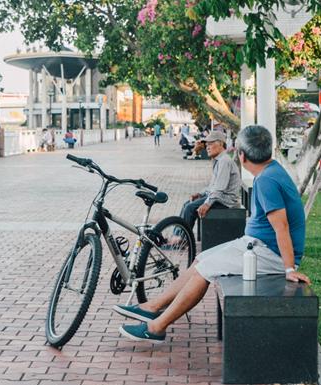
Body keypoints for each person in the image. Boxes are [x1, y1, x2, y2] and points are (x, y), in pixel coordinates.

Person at [114, 125, 310, 343]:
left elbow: (281, 226)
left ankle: (157, 327)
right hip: (256, 245)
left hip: (268, 253)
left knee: (204, 271)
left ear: (241, 155)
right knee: (201, 258)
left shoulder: (266, 180)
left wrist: (289, 268)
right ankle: (153, 307)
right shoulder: (271, 171)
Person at [176, 131, 241, 232]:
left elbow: (219, 188)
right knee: (187, 204)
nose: (207, 147)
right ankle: (177, 237)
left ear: (220, 144)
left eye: (210, 144)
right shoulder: (219, 160)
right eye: (207, 145)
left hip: (226, 202)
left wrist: (207, 203)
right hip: (221, 199)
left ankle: (180, 239)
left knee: (190, 208)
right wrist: (200, 194)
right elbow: (213, 186)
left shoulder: (224, 161)